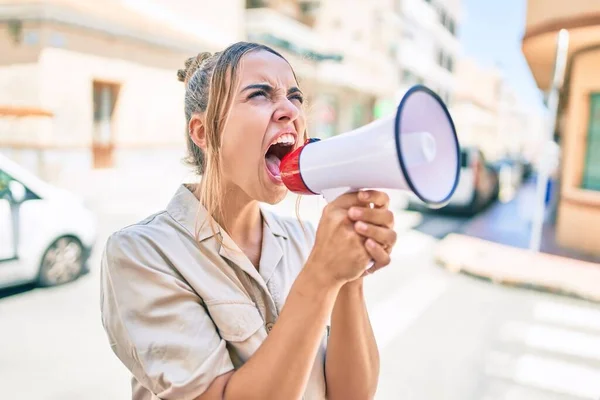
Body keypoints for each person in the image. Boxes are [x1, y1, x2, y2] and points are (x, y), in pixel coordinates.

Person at [100, 41, 397, 400]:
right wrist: (320, 277)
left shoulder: (305, 239)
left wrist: (349, 278)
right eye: (259, 95)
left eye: (295, 97)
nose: (289, 110)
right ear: (203, 132)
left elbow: (351, 395)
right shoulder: (142, 253)